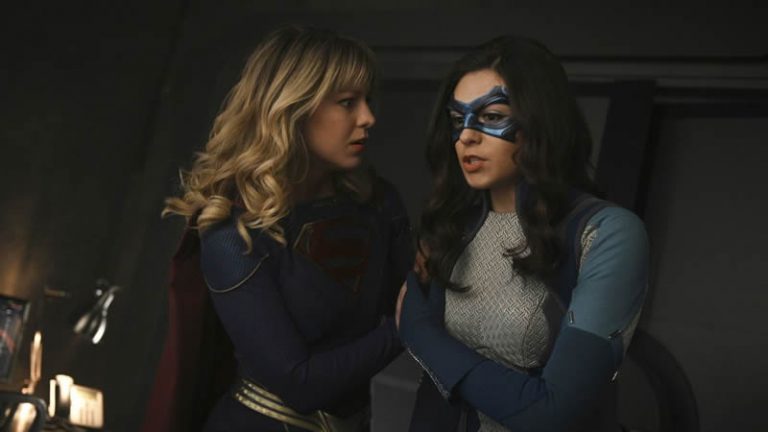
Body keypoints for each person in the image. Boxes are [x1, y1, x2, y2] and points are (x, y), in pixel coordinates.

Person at [157, 26, 412, 431]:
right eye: (348, 102)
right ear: (294, 107)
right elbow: (300, 383)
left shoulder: (379, 204)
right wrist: (405, 328)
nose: (368, 118)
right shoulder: (232, 233)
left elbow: (422, 294)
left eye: (367, 100)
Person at [397, 35, 649, 432]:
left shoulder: (605, 233)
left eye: (492, 116)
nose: (466, 136)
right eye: (457, 120)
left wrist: (419, 333)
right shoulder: (451, 226)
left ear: (540, 121)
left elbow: (553, 413)